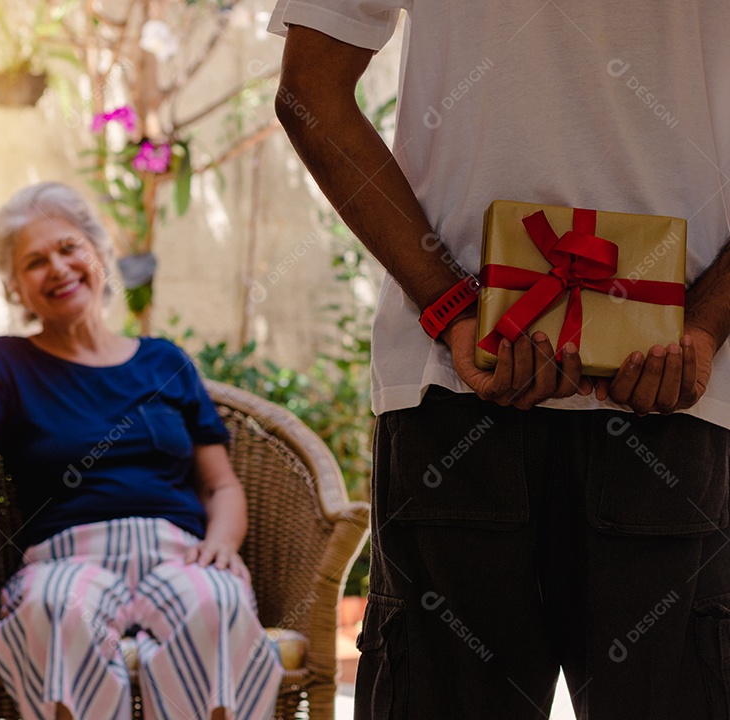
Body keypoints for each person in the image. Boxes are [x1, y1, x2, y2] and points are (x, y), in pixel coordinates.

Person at [270, 3, 730, 719]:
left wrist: (449, 305)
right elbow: (311, 97)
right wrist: (701, 327)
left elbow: (309, 93)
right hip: (677, 394)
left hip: (456, 387)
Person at [0, 182, 283, 720]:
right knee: (56, 613)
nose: (57, 267)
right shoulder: (5, 363)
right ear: (16, 289)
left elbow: (220, 484)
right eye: (35, 262)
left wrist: (222, 541)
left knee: (216, 604)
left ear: (99, 255)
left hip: (178, 551)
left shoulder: (163, 361)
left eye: (68, 248)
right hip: (66, 558)